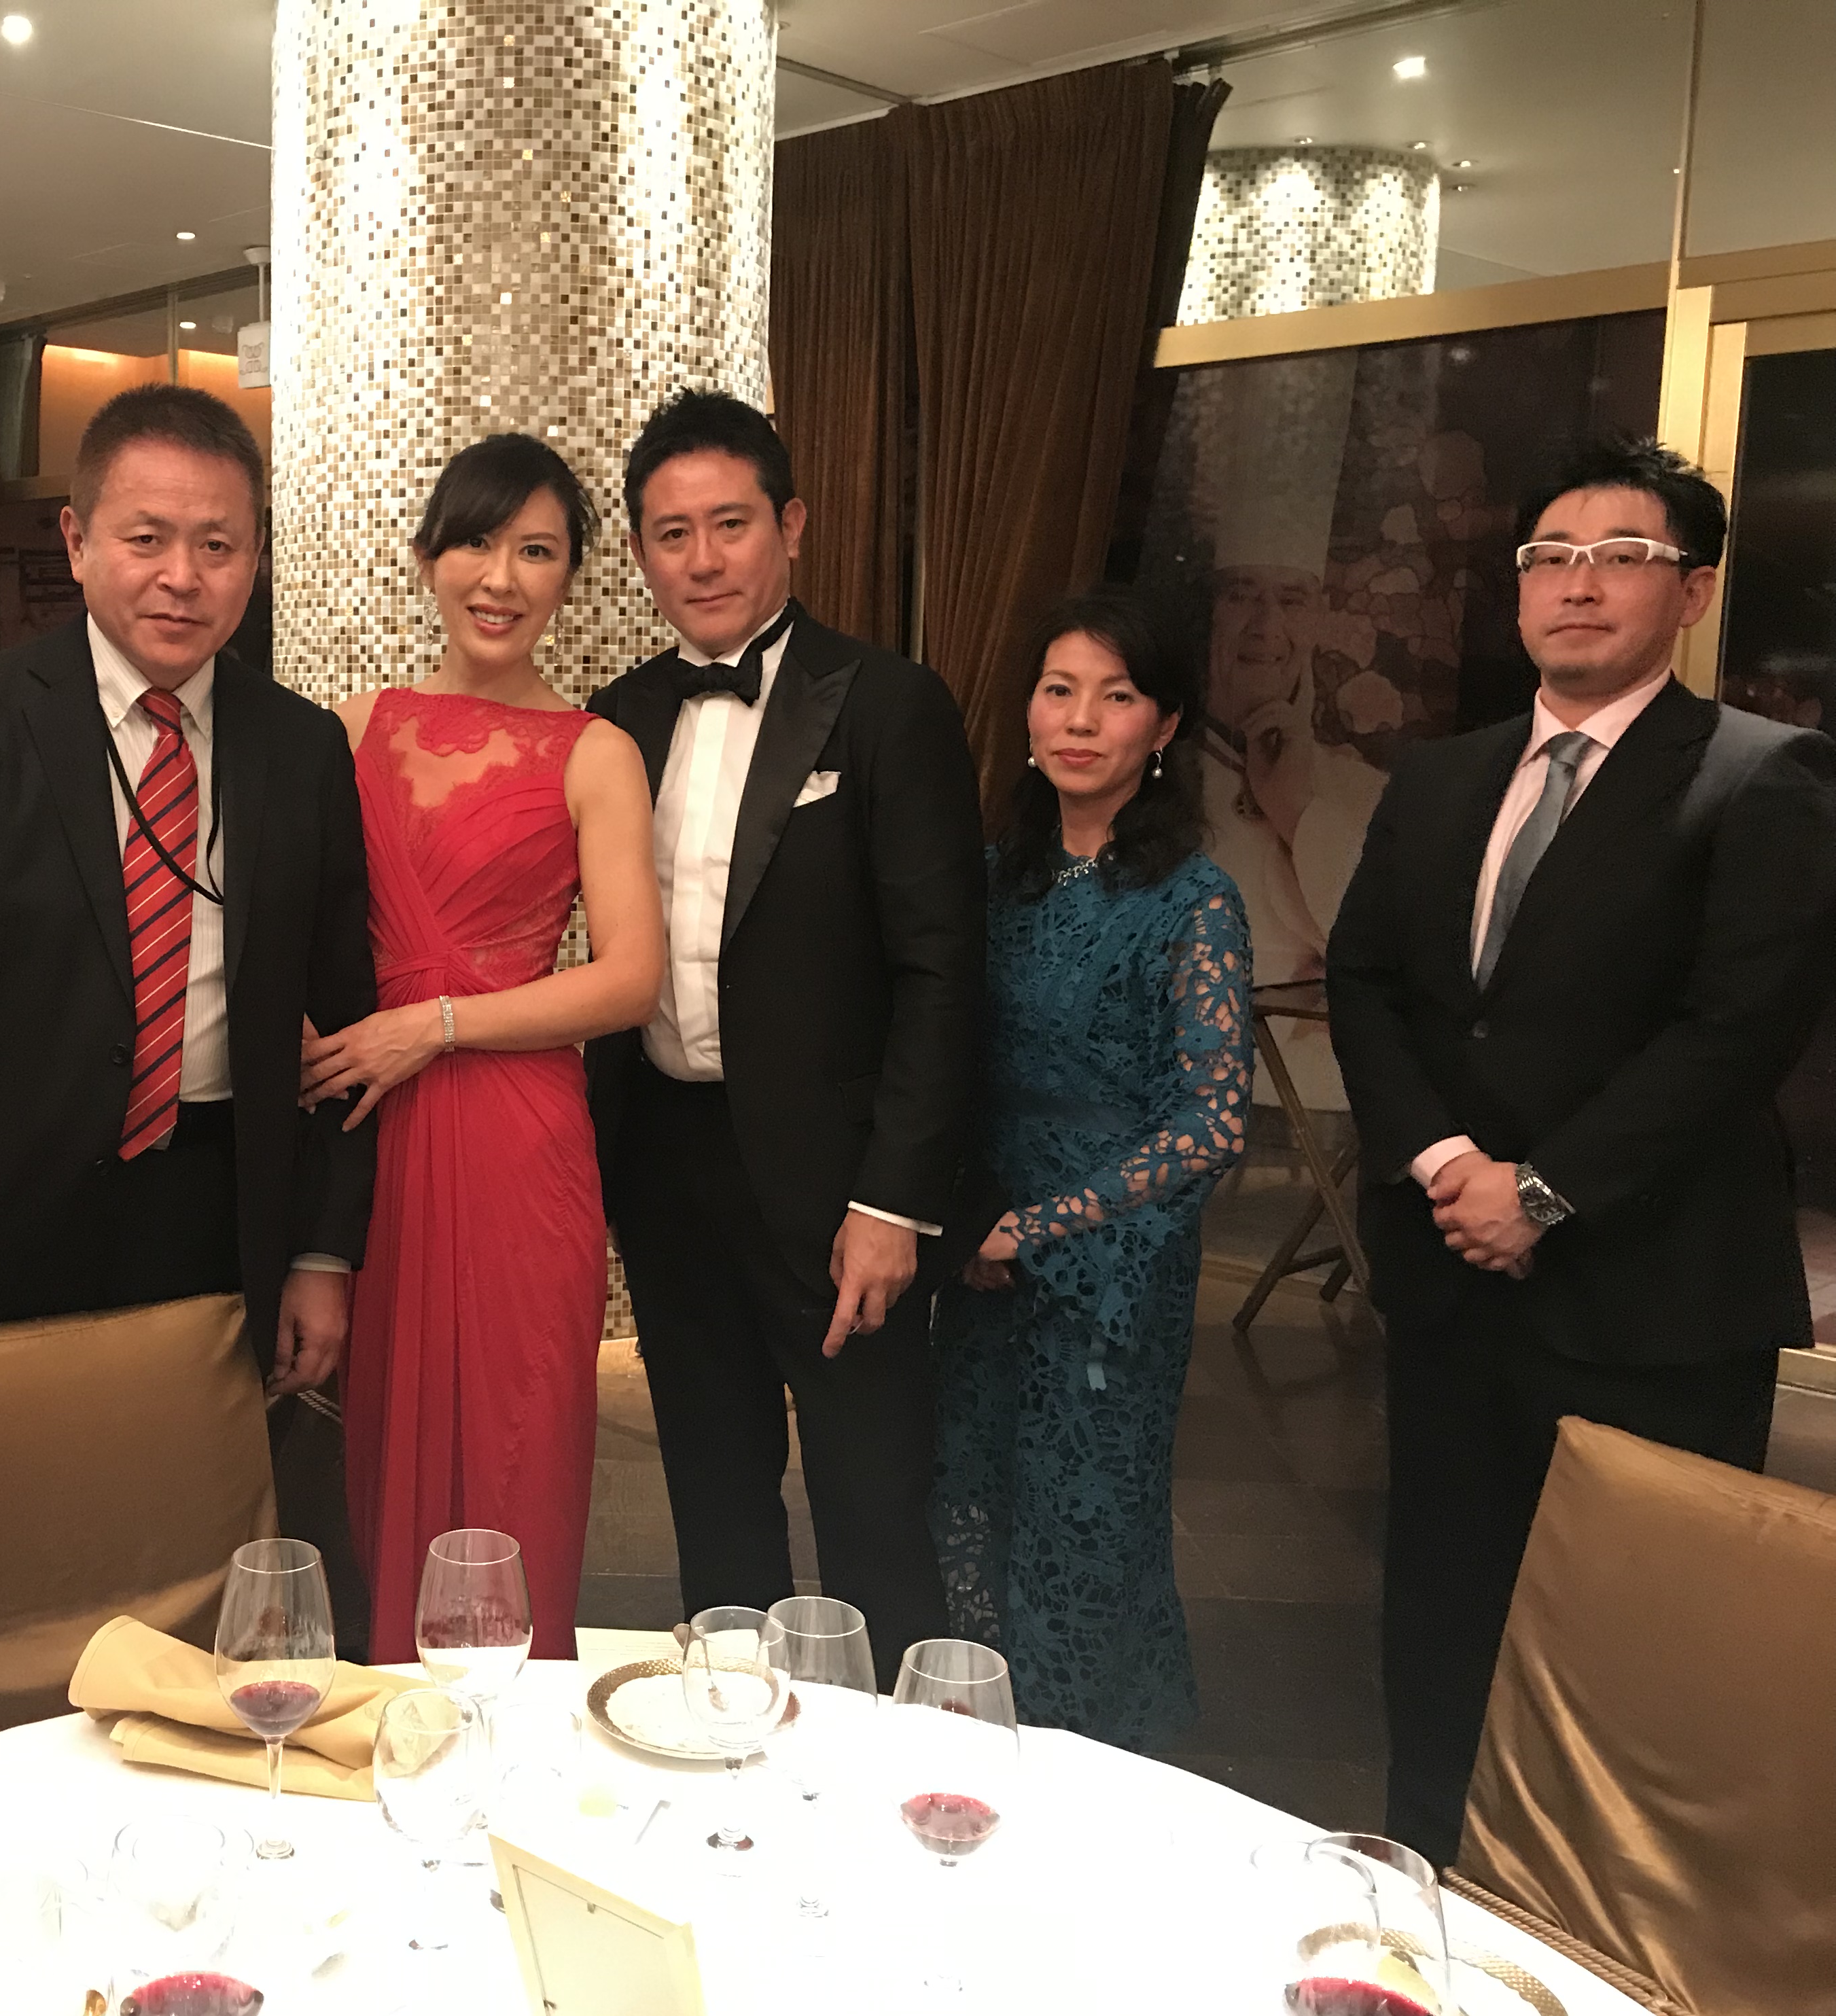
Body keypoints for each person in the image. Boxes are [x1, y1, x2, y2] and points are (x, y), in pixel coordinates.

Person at [1327, 435, 1836, 1865]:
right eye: (1550, 557)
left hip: (1649, 1302)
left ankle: (1594, 1929)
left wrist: (1543, 1192)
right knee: (1439, 1611)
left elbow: (1735, 1031)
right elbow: (1366, 981)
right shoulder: (1443, 778)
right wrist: (1446, 1164)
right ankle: (1423, 1886)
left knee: (1629, 1644)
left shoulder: (1762, 776)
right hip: (1455, 1285)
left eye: (1623, 557)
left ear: (1693, 591)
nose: (1578, 584)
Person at [0, 385, 375, 1599]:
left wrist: (322, 1250)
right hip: (0, 1212)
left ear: (256, 558)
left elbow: (338, 1018)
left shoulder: (301, 745)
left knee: (193, 1547)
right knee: (14, 1555)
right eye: (146, 537)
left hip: (215, 1212)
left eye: (218, 545)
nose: (182, 577)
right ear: (75, 540)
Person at [586, 390, 985, 1684]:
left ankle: (900, 1769)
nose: (702, 559)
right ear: (639, 551)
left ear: (791, 525)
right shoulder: (617, 714)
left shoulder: (887, 703)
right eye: (671, 534)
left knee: (874, 1504)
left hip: (839, 1179)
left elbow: (941, 970)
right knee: (713, 1495)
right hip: (667, 1156)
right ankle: (729, 1736)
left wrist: (893, 1199)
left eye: (731, 524)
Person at [305, 434, 661, 1661]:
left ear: (571, 576)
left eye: (536, 551)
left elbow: (630, 977)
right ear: (427, 559)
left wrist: (438, 1023)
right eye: (474, 542)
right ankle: (395, 1716)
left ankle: (513, 1723)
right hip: (376, 1130)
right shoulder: (351, 729)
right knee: (380, 1439)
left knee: (517, 1441)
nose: (500, 577)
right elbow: (300, 934)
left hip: (518, 1139)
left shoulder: (597, 750)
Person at [932, 591, 1251, 1750]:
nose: (1080, 720)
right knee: (967, 1504)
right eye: (1059, 690)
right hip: (977, 1252)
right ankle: (982, 1752)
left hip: (1112, 1268)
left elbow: (1210, 1122)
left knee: (1088, 1528)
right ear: (1026, 713)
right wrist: (970, 1221)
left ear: (1162, 728)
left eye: (1115, 697)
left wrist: (1041, 1227)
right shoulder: (987, 880)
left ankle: (1093, 1764)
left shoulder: (1192, 901)